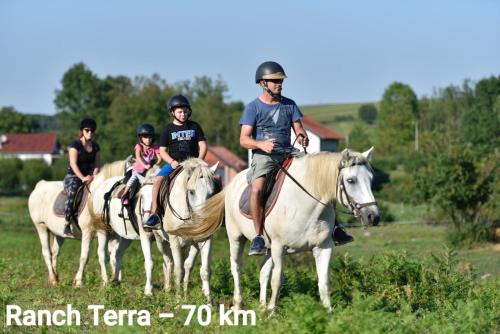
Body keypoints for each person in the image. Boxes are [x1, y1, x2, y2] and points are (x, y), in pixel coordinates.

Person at [240, 61, 353, 256]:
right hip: (264, 157)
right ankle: (258, 236)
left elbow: (298, 126)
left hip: (289, 152)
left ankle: (335, 227)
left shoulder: (289, 104)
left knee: (323, 179)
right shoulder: (253, 108)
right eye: (274, 81)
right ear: (263, 83)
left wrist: (302, 135)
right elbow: (244, 139)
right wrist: (260, 145)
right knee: (257, 189)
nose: (279, 84)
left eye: (280, 81)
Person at [143, 94, 207, 229]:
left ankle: (218, 212)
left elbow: (203, 146)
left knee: (214, 178)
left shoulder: (195, 126)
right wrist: (171, 162)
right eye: (180, 112)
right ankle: (155, 214)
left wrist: (199, 161)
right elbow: (162, 151)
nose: (183, 114)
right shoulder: (168, 129)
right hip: (175, 164)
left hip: (193, 164)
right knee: (157, 182)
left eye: (185, 111)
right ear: (172, 112)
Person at [63, 118, 100, 236]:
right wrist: (82, 177)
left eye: (92, 131)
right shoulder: (75, 145)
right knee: (73, 192)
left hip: (89, 177)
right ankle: (67, 222)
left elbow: (97, 164)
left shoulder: (95, 147)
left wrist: (94, 175)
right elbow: (73, 164)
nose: (90, 132)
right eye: (87, 130)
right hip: (73, 176)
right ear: (82, 131)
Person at [121, 123, 161, 205]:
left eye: (150, 137)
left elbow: (160, 158)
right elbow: (138, 158)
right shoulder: (139, 146)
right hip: (138, 170)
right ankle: (125, 194)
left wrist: (156, 164)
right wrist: (145, 166)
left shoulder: (155, 147)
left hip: (149, 171)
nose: (148, 139)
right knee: (133, 178)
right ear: (141, 138)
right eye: (145, 137)